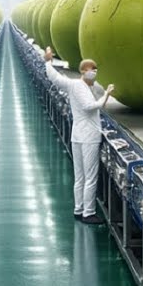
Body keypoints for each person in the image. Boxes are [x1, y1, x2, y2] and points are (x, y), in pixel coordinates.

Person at [43, 46, 113, 224]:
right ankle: (88, 213)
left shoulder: (77, 84)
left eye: (96, 69)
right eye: (92, 70)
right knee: (90, 176)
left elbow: (55, 77)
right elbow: (90, 106)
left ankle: (78, 208)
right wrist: (106, 95)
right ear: (82, 71)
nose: (94, 72)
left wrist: (48, 61)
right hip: (88, 137)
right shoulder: (79, 87)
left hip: (77, 136)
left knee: (80, 176)